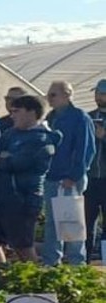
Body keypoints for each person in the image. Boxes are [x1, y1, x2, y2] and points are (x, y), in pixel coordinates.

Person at [0, 94, 58, 265]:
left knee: (22, 246)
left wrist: (5, 159)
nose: (11, 115)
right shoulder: (9, 134)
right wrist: (3, 158)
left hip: (23, 199)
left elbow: (19, 163)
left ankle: (36, 286)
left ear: (32, 112)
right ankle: (2, 283)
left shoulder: (42, 138)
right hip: (1, 196)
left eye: (16, 111)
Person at [40, 81, 98, 266]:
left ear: (67, 95)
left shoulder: (79, 117)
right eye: (48, 95)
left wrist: (74, 176)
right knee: (52, 223)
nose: (49, 98)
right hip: (52, 177)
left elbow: (86, 149)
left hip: (69, 178)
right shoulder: (51, 117)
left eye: (53, 95)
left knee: (70, 223)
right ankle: (51, 264)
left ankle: (76, 265)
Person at [89, 80, 106, 260]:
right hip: (90, 179)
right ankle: (85, 260)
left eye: (102, 93)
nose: (98, 97)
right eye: (97, 93)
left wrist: (104, 136)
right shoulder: (88, 117)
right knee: (87, 222)